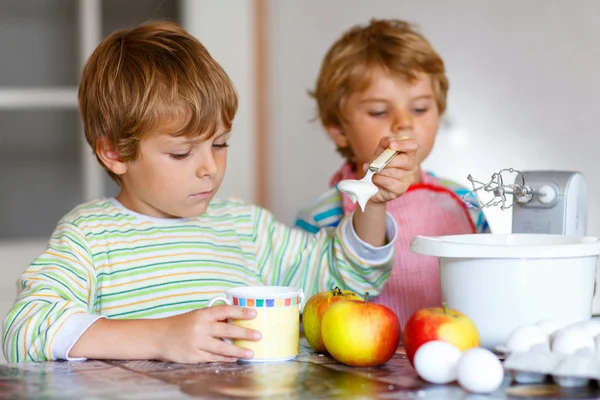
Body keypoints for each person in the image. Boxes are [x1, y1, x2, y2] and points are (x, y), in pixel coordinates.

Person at [2, 21, 419, 364]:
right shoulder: (91, 236)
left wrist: (371, 203)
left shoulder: (245, 226)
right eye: (182, 153)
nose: (210, 167)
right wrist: (161, 337)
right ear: (114, 152)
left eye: (220, 144)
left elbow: (347, 279)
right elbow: (24, 330)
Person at [295, 19, 490, 327]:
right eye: (379, 112)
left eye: (420, 108)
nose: (403, 123)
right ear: (338, 129)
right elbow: (309, 311)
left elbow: (487, 287)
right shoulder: (319, 216)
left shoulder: (464, 200)